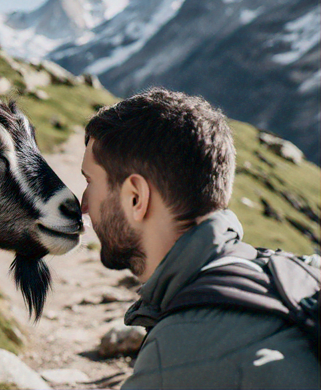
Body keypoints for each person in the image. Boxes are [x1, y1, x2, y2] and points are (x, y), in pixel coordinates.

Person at [80, 88, 319, 389]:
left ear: (135, 198)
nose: (83, 204)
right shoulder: (299, 272)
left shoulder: (178, 352)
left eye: (90, 182)